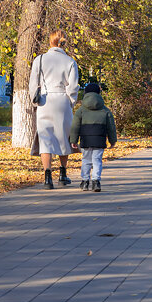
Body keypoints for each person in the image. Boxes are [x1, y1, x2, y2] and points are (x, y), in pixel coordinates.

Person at [29, 29, 79, 189]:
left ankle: (47, 177)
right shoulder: (70, 61)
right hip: (62, 101)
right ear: (63, 43)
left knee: (46, 139)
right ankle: (63, 174)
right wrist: (70, 102)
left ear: (50, 42)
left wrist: (35, 100)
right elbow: (73, 87)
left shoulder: (40, 59)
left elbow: (32, 83)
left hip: (45, 100)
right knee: (63, 137)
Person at [70, 81, 118, 192]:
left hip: (85, 139)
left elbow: (75, 126)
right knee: (97, 160)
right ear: (99, 94)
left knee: (86, 160)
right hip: (99, 139)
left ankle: (85, 181)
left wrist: (73, 140)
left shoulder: (81, 110)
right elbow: (111, 127)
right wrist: (112, 140)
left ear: (86, 94)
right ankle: (96, 182)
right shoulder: (105, 110)